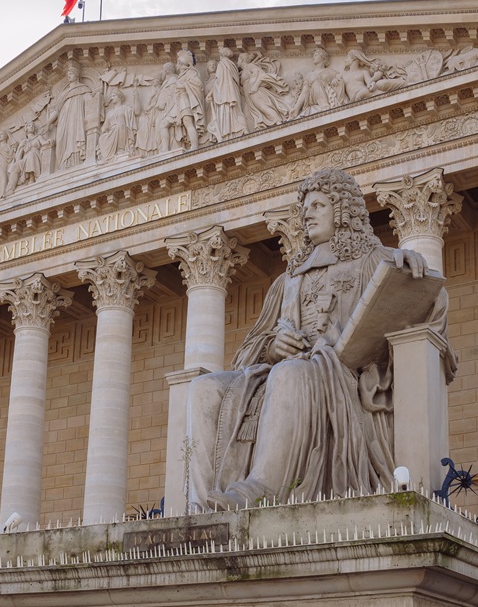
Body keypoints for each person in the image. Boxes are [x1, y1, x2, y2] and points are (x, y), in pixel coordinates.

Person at [187, 168, 442, 510]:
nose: (307, 214)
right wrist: (271, 347)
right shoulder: (288, 280)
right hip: (280, 375)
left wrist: (412, 264)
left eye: (318, 205)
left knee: (291, 373)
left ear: (342, 211)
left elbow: (429, 302)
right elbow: (248, 351)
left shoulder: (372, 261)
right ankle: (201, 505)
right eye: (306, 207)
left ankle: (260, 488)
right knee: (205, 389)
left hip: (339, 377)